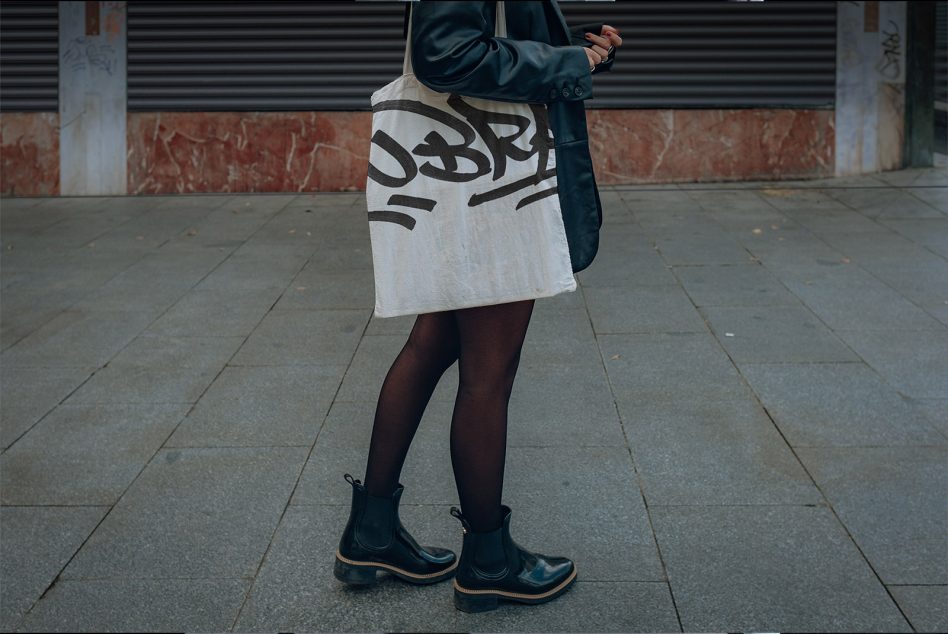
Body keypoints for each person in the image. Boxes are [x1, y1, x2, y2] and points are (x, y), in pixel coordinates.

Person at [333, 0, 622, 613]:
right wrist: (566, 60)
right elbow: (445, 54)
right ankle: (488, 560)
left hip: (474, 171)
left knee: (434, 343)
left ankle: (372, 533)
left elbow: (476, 38)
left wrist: (577, 52)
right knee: (488, 372)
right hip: (494, 180)